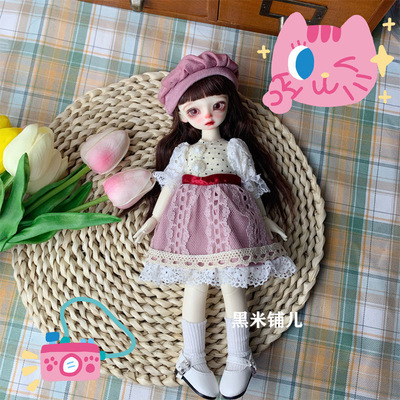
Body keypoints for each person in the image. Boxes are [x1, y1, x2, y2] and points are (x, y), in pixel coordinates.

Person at [133, 51, 296, 400]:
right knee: (196, 286)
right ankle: (192, 359)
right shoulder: (184, 152)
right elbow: (170, 186)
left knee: (233, 288)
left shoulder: (235, 147)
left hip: (232, 221)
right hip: (192, 225)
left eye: (216, 105)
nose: (207, 115)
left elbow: (250, 186)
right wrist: (155, 219)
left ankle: (240, 356)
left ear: (228, 105)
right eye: (194, 110)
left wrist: (265, 218)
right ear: (181, 115)